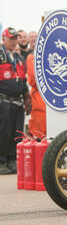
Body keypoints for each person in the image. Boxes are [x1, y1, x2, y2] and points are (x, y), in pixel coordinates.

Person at [0, 27, 31, 174]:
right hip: (3, 101)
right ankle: (2, 161)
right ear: (3, 39)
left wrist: (27, 98)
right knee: (3, 133)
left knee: (16, 132)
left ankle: (12, 160)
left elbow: (23, 80)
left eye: (15, 39)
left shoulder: (19, 58)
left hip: (18, 102)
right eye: (11, 39)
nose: (14, 41)